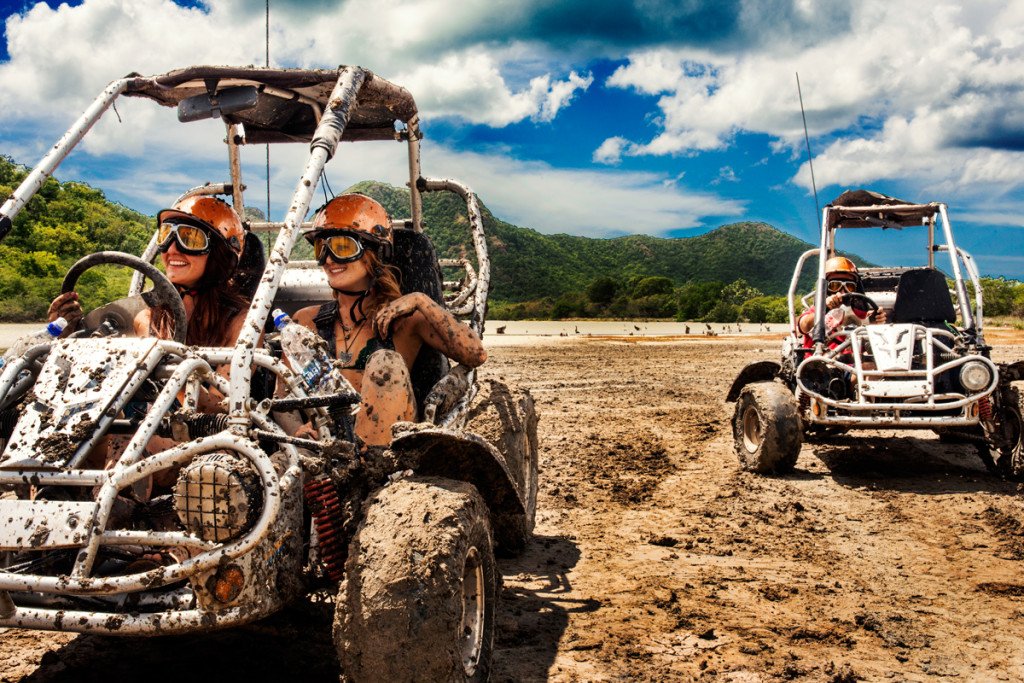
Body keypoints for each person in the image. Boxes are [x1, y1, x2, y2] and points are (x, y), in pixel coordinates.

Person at [291, 193, 487, 446]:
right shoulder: (306, 321)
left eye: (342, 247)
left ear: (376, 253)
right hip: (322, 448)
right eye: (321, 248)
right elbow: (283, 397)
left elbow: (475, 354)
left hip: (389, 452)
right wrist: (297, 431)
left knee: (385, 362)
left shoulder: (407, 321)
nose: (328, 259)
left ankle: (368, 463)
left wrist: (422, 300)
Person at [797, 256, 886, 347]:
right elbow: (804, 326)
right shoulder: (816, 311)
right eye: (835, 285)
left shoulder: (859, 314)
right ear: (826, 288)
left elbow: (868, 325)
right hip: (821, 359)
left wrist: (876, 319)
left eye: (849, 286)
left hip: (854, 359)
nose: (842, 292)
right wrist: (824, 308)